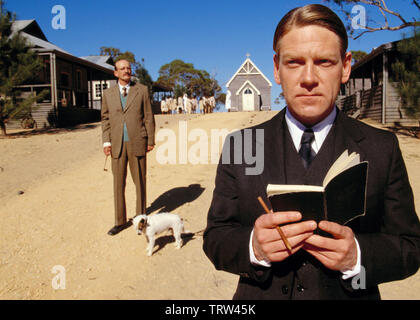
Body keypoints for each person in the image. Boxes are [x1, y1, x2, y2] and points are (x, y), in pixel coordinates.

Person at [203, 4, 420, 299]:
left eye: (323, 62)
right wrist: (254, 247)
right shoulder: (240, 146)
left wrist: (357, 255)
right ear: (277, 69)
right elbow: (215, 237)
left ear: (345, 67)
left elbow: (410, 246)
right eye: (294, 62)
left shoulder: (383, 148)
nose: (308, 78)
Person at [101, 59, 155, 236]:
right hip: (116, 144)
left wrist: (150, 140)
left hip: (137, 142)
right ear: (115, 73)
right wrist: (106, 142)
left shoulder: (142, 90)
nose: (126, 71)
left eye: (129, 68)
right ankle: (120, 221)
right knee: (118, 184)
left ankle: (141, 218)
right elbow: (105, 119)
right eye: (122, 69)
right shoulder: (108, 94)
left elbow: (148, 116)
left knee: (140, 181)